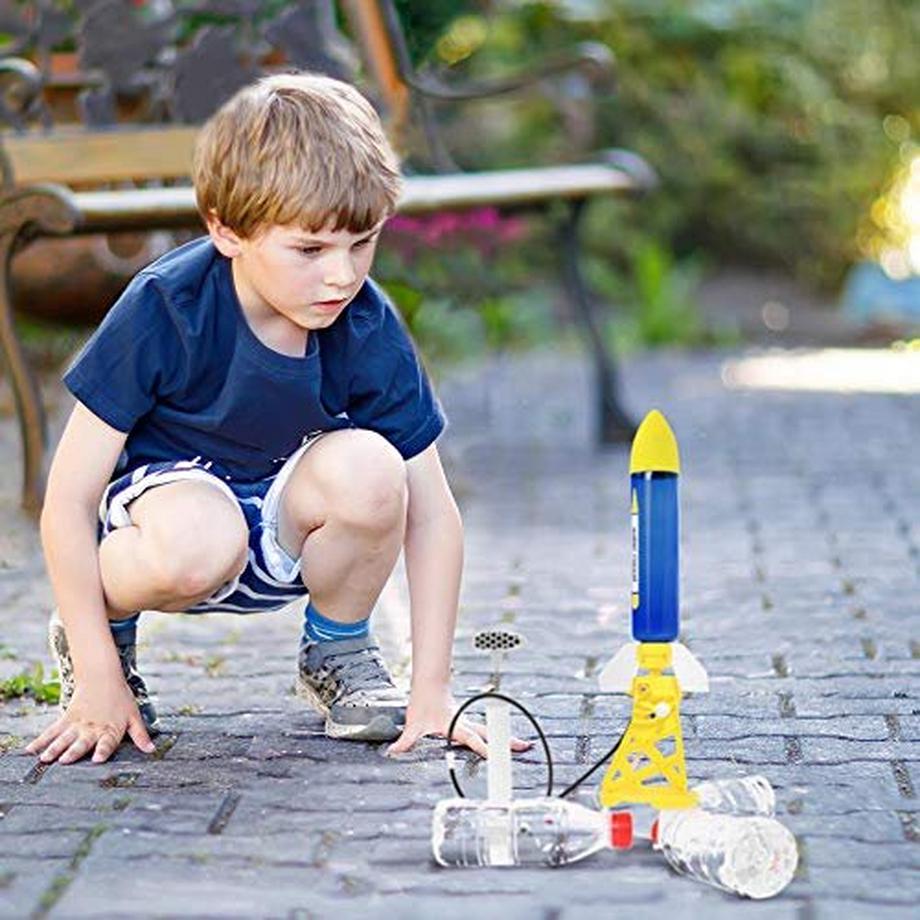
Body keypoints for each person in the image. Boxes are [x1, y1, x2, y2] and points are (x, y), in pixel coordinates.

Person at [26, 72, 528, 767]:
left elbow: (434, 513)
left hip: (284, 514)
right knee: (202, 540)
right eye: (310, 250)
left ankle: (339, 651)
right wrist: (96, 672)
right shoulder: (165, 307)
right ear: (227, 231)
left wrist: (433, 690)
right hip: (173, 519)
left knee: (377, 469)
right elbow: (67, 501)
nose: (342, 276)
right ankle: (102, 639)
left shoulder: (363, 321)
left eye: (362, 243)